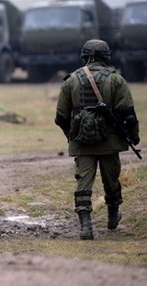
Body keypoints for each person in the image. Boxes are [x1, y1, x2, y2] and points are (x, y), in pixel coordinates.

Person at [55, 39, 140, 240]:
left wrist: (73, 135)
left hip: (82, 142)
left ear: (85, 56)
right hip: (110, 143)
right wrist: (133, 137)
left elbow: (60, 118)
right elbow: (128, 115)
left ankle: (86, 227)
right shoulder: (116, 80)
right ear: (106, 57)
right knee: (111, 180)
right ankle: (112, 218)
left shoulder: (71, 80)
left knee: (83, 183)